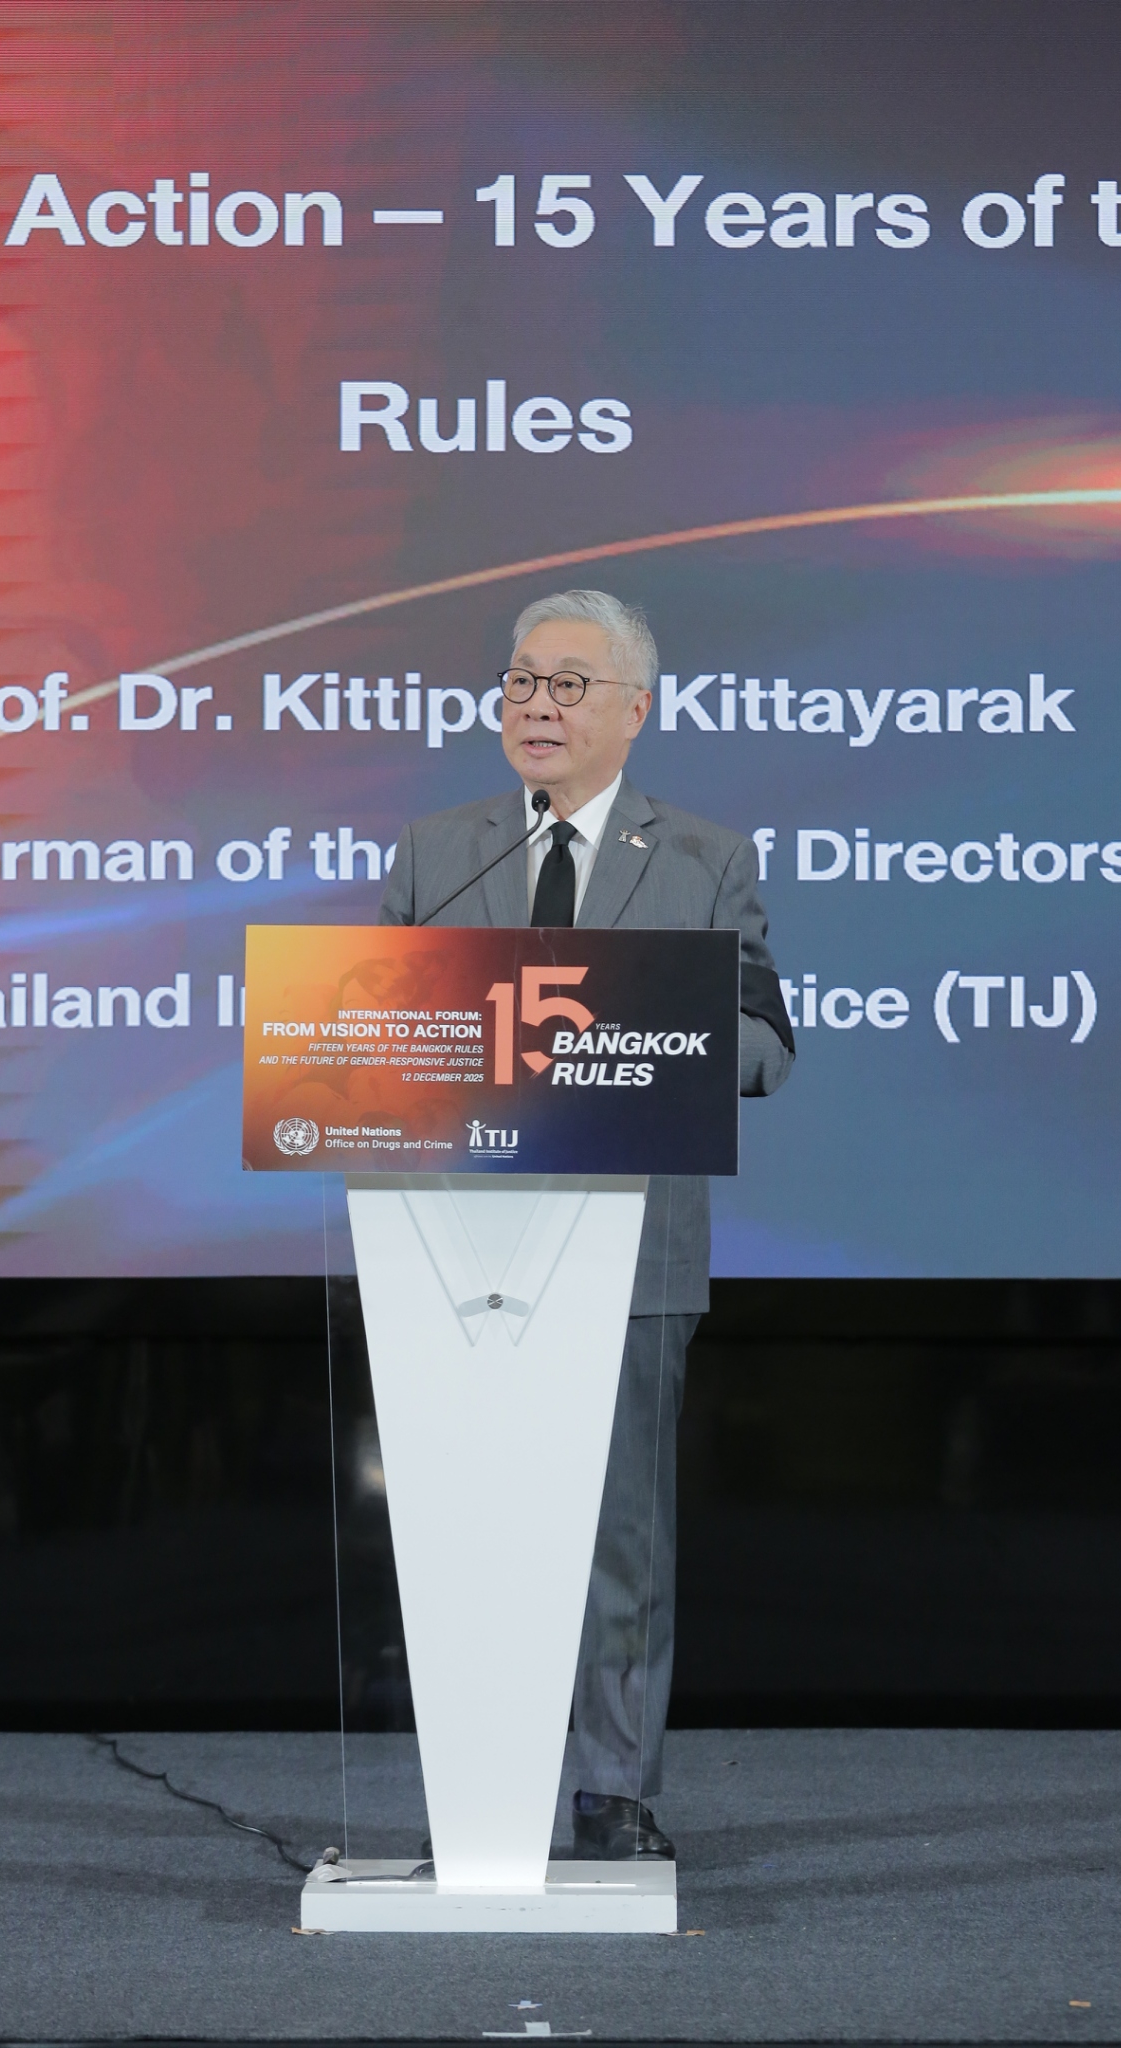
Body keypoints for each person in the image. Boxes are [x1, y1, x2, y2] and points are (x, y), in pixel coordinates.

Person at [379, 589, 793, 1859]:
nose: (538, 705)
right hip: (450, 1247)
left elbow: (768, 1043)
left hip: (628, 1246)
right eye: (521, 681)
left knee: (621, 1534)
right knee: (467, 1528)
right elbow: (368, 1031)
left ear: (635, 709)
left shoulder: (705, 858)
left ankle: (614, 1787)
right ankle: (480, 1789)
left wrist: (634, 1034)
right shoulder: (440, 851)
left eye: (568, 683)